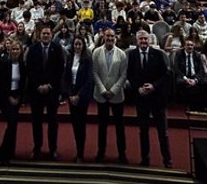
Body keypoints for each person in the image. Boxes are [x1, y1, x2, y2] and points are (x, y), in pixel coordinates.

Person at [126, 30, 172, 168]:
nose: (143, 41)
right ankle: (145, 158)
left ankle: (167, 160)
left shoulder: (158, 54)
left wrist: (154, 86)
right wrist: (137, 88)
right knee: (143, 131)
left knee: (162, 132)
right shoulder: (132, 55)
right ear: (137, 41)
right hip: (142, 99)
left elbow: (166, 75)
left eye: (145, 39)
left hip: (157, 98)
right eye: (141, 39)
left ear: (149, 40)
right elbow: (130, 75)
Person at [25, 25, 65, 160]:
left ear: (52, 35)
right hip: (36, 91)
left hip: (51, 91)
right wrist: (38, 85)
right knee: (36, 122)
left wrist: (49, 85)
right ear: (40, 35)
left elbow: (60, 70)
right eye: (44, 33)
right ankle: (37, 147)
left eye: (48, 33)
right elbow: (29, 70)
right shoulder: (33, 49)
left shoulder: (57, 48)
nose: (46, 36)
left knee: (52, 121)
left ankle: (53, 149)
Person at [92, 28, 128, 163]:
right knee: (102, 126)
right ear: (104, 37)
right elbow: (94, 72)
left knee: (119, 126)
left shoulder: (122, 54)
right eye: (107, 36)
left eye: (112, 36)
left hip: (116, 95)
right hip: (101, 95)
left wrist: (113, 90)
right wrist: (102, 90)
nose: (110, 39)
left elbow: (124, 75)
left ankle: (122, 153)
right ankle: (101, 152)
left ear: (115, 38)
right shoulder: (96, 52)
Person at [62, 36, 93, 163]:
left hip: (82, 96)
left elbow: (88, 80)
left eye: (80, 44)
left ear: (83, 45)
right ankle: (78, 148)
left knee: (81, 124)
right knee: (75, 124)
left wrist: (78, 95)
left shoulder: (87, 59)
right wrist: (70, 94)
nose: (77, 47)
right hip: (71, 94)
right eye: (76, 44)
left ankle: (81, 152)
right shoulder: (69, 58)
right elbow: (66, 78)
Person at [0, 40, 26, 164]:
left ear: (20, 51)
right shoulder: (4, 64)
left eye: (17, 49)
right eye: (13, 49)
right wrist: (9, 97)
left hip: (17, 96)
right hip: (5, 98)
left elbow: (23, 83)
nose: (15, 51)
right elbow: (1, 83)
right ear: (10, 50)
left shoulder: (23, 65)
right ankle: (2, 154)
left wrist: (18, 97)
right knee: (12, 123)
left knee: (13, 125)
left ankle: (11, 152)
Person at [174, 38, 207, 111]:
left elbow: (201, 70)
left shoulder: (197, 55)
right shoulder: (179, 54)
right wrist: (186, 79)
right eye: (188, 45)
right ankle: (183, 106)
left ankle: (203, 106)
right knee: (180, 82)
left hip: (195, 76)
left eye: (191, 45)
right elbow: (176, 69)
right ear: (184, 46)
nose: (190, 47)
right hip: (183, 76)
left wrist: (195, 80)